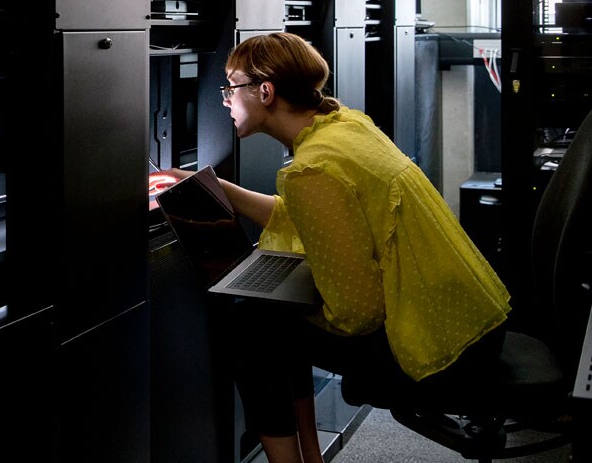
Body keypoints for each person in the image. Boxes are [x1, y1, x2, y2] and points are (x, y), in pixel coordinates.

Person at [149, 32, 511, 463]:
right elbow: (311, 220)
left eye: (231, 86)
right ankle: (309, 455)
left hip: (441, 346)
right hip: (472, 320)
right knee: (268, 312)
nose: (225, 99)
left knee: (250, 322)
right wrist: (218, 188)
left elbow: (357, 315)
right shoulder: (345, 127)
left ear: (265, 92)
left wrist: (289, 299)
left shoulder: (312, 169)